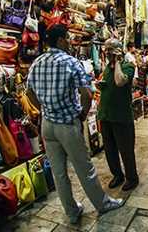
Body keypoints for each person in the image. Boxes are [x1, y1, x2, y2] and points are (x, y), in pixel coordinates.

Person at [26, 25, 123, 224]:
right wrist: (82, 115)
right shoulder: (70, 62)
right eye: (68, 38)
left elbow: (29, 94)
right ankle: (103, 204)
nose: (70, 42)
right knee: (84, 168)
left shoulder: (37, 62)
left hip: (48, 125)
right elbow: (86, 94)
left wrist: (45, 108)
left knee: (59, 172)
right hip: (67, 125)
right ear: (61, 40)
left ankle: (71, 212)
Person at [97, 39, 139, 191]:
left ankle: (132, 178)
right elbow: (109, 84)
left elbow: (120, 81)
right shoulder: (107, 68)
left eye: (110, 50)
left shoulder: (128, 66)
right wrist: (100, 85)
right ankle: (117, 175)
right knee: (110, 150)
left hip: (121, 117)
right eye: (106, 50)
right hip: (106, 115)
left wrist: (118, 62)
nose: (107, 53)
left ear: (117, 51)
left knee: (126, 149)